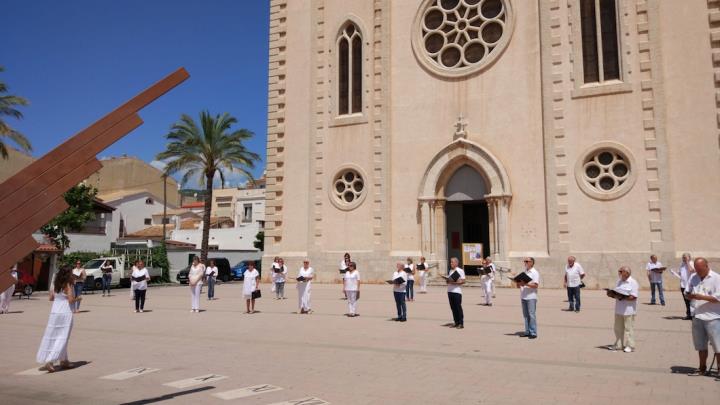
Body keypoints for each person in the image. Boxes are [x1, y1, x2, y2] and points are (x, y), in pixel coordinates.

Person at [36, 265, 81, 372]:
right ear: (67, 274)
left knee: (54, 335)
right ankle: (50, 360)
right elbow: (70, 300)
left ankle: (64, 360)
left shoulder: (56, 284)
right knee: (62, 337)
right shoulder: (68, 284)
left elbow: (51, 298)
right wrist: (78, 298)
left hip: (55, 312)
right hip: (65, 312)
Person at [684, 257, 720, 377]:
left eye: (700, 269)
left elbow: (717, 298)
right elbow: (687, 292)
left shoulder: (716, 278)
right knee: (700, 346)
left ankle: (719, 369)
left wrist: (701, 297)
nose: (698, 272)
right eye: (696, 269)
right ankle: (702, 368)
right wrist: (689, 295)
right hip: (697, 316)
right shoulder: (693, 277)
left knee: (718, 345)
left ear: (706, 266)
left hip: (713, 317)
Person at [607, 266, 639, 353]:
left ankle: (630, 346)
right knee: (617, 328)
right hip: (619, 309)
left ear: (627, 273)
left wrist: (622, 297)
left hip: (629, 310)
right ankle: (618, 345)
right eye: (619, 271)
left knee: (629, 329)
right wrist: (612, 294)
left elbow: (634, 297)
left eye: (621, 271)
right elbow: (617, 293)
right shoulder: (619, 281)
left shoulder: (633, 282)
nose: (619, 273)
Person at [517, 257, 540, 339]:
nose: (525, 262)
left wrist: (525, 284)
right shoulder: (525, 272)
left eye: (527, 261)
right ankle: (527, 331)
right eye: (524, 261)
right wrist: (518, 283)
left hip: (531, 297)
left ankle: (533, 332)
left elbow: (536, 285)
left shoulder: (535, 272)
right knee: (526, 315)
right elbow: (520, 284)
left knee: (531, 315)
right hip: (523, 296)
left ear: (531, 262)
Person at [670, 253, 695, 320]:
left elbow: (692, 271)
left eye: (685, 257)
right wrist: (674, 273)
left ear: (689, 257)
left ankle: (693, 315)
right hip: (683, 285)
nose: (683, 259)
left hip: (690, 285)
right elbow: (680, 273)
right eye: (683, 257)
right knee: (686, 301)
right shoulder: (682, 264)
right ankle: (689, 315)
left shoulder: (692, 263)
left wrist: (687, 262)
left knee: (692, 301)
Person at [446, 257, 466, 328]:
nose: (451, 263)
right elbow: (449, 280)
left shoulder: (460, 270)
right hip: (450, 291)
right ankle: (456, 322)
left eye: (452, 262)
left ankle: (461, 323)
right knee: (453, 308)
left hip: (457, 292)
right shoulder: (450, 271)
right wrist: (447, 280)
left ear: (456, 263)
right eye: (450, 262)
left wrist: (454, 282)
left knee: (458, 307)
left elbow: (463, 281)